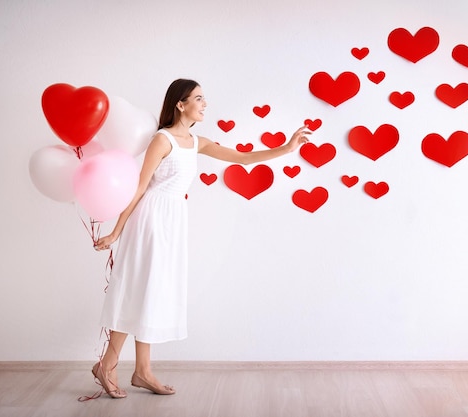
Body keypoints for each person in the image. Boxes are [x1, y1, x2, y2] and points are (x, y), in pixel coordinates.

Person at [90, 79, 310, 398]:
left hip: (172, 220)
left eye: (204, 98)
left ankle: (142, 371)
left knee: (152, 292)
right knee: (138, 289)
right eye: (199, 99)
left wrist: (286, 149)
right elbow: (139, 188)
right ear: (181, 105)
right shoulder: (162, 140)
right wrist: (115, 231)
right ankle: (107, 366)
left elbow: (242, 159)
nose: (205, 104)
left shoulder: (196, 142)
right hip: (150, 219)